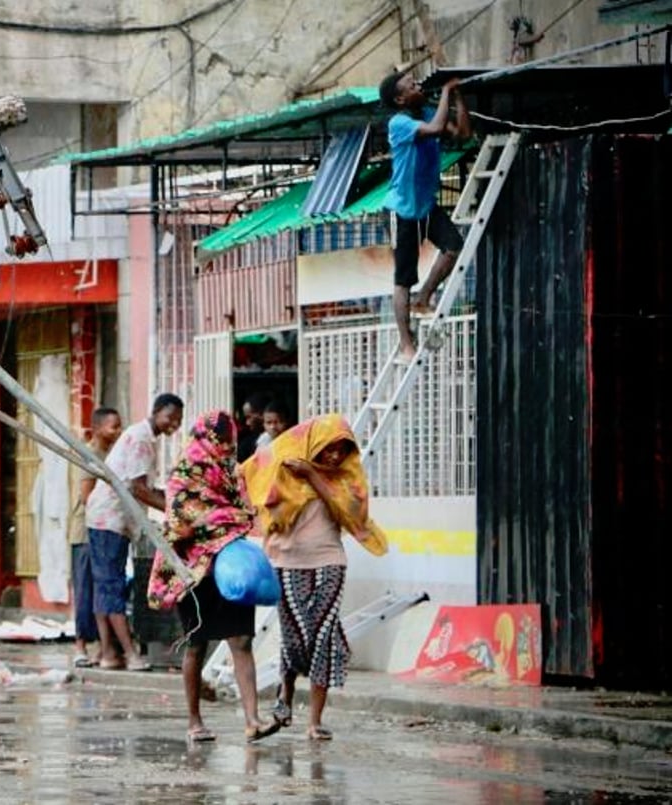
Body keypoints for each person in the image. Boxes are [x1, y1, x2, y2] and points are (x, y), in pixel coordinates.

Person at [242, 414, 388, 741]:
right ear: (314, 444)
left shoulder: (344, 479)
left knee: (321, 634)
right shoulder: (283, 465)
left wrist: (314, 475)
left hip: (329, 562)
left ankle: (315, 720)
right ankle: (285, 699)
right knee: (295, 638)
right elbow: (248, 480)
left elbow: (350, 512)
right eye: (329, 448)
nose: (335, 456)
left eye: (342, 449)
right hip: (285, 562)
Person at [147, 410, 280, 744]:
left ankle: (253, 720)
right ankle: (194, 720)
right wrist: (215, 520)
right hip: (193, 572)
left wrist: (227, 520)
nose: (225, 447)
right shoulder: (184, 473)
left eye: (228, 441)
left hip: (230, 568)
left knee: (241, 640)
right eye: (220, 441)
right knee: (197, 644)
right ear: (206, 440)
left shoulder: (229, 474)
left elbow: (246, 512)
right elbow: (179, 521)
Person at [85, 392, 185, 671]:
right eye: (170, 418)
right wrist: (174, 511)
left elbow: (145, 488)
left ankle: (108, 653)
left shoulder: (142, 437)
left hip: (110, 519)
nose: (173, 425)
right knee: (111, 587)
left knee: (105, 587)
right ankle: (128, 654)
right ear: (156, 412)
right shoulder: (141, 439)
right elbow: (138, 489)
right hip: (110, 519)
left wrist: (169, 499)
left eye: (177, 420)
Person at [379, 70, 471, 361]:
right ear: (400, 98)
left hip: (426, 205)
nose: (417, 83)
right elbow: (433, 129)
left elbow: (463, 134)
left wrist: (457, 96)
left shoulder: (431, 112)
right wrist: (445, 92)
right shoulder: (399, 123)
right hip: (401, 209)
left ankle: (424, 297)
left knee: (454, 247)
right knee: (403, 278)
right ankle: (407, 342)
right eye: (410, 83)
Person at [67, 406, 123, 668]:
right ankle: (80, 645)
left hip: (105, 528)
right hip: (86, 532)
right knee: (85, 589)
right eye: (114, 426)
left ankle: (104, 648)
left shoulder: (112, 454)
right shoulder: (89, 455)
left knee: (102, 589)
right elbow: (87, 497)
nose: (118, 431)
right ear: (98, 428)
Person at [236, 393, 269, 463]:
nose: (247, 423)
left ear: (261, 414)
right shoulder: (246, 445)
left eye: (249, 417)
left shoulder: (284, 439)